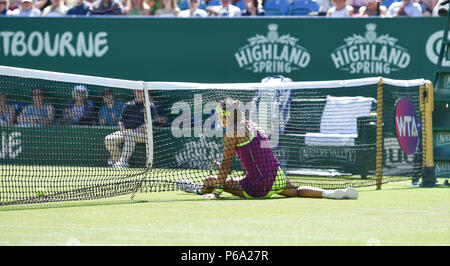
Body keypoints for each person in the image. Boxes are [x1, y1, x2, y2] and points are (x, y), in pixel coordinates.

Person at [178, 98, 358, 200]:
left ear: (226, 116)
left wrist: (217, 192)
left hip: (259, 185)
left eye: (220, 115)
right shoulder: (254, 125)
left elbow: (226, 163)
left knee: (211, 180)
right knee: (294, 191)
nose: (218, 119)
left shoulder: (232, 131)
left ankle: (197, 189)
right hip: (277, 176)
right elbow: (258, 154)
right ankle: (331, 193)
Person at [105, 89, 168, 168]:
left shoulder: (150, 106)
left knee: (131, 135)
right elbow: (121, 121)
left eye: (141, 91)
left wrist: (134, 131)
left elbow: (150, 123)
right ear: (134, 92)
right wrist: (124, 131)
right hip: (126, 132)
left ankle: (123, 162)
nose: (139, 92)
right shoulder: (128, 105)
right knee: (109, 139)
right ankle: (117, 161)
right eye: (137, 91)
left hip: (143, 134)